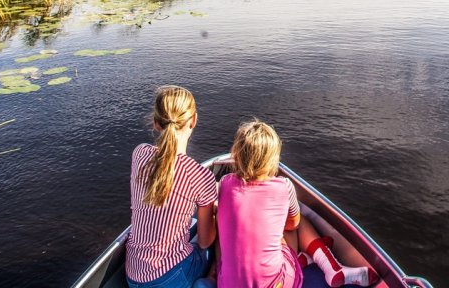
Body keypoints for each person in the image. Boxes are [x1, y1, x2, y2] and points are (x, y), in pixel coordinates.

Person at [216, 120, 379, 288]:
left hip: (227, 284)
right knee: (298, 221)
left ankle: (305, 258)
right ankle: (329, 266)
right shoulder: (284, 186)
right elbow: (293, 225)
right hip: (277, 284)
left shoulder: (225, 183)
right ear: (272, 158)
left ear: (237, 154)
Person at [125, 86, 218, 288]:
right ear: (194, 120)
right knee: (215, 245)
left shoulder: (139, 154)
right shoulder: (200, 176)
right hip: (169, 278)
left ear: (156, 123)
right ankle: (210, 280)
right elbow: (204, 241)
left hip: (132, 275)